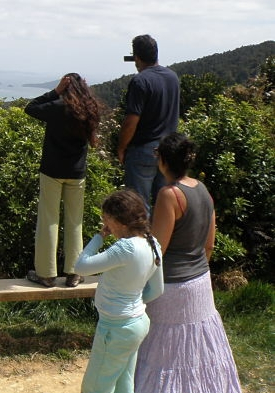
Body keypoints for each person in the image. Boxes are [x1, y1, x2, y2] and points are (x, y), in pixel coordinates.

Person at [135, 133, 242, 393]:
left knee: (165, 352)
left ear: (162, 160)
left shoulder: (169, 195)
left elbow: (157, 250)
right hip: (200, 284)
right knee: (199, 349)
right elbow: (209, 244)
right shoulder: (202, 189)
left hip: (172, 287)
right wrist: (197, 270)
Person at [74, 189, 164, 393]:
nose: (105, 224)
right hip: (137, 323)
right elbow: (157, 290)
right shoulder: (153, 243)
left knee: (96, 387)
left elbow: (80, 267)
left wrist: (98, 237)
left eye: (106, 219)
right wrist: (131, 302)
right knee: (124, 383)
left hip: (116, 329)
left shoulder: (124, 248)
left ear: (121, 222)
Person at [25, 73, 102, 288]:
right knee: (74, 222)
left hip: (52, 170)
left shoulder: (57, 107)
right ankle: (74, 273)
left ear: (65, 88)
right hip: (76, 173)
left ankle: (46, 274)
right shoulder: (89, 111)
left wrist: (55, 91)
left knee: (49, 220)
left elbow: (30, 107)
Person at [117, 35, 180, 208]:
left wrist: (122, 148)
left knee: (138, 207)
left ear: (136, 57)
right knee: (163, 204)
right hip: (168, 149)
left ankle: (143, 236)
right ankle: (161, 235)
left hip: (143, 151)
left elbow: (131, 120)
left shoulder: (140, 81)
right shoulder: (172, 77)